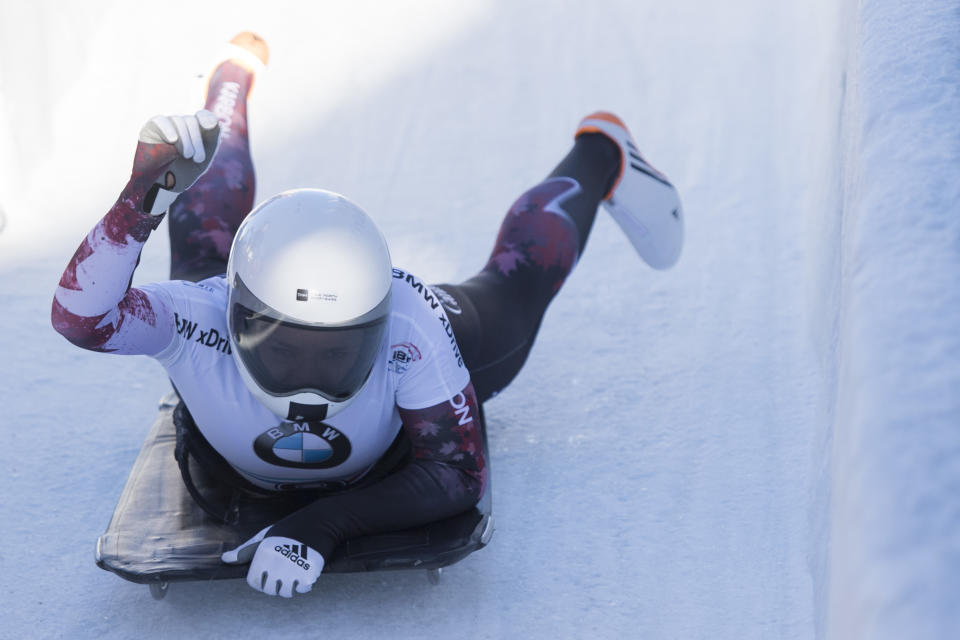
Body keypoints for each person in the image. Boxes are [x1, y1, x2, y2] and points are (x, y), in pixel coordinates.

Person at [51, 33, 683, 598]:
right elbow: (80, 319)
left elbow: (457, 472)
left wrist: (319, 525)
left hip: (396, 365)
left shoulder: (412, 325)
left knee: (512, 293)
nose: (308, 382)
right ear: (235, 314)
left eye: (336, 354)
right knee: (200, 236)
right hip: (235, 320)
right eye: (282, 347)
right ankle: (225, 89)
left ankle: (603, 152)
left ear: (380, 325)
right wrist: (140, 200)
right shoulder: (202, 314)